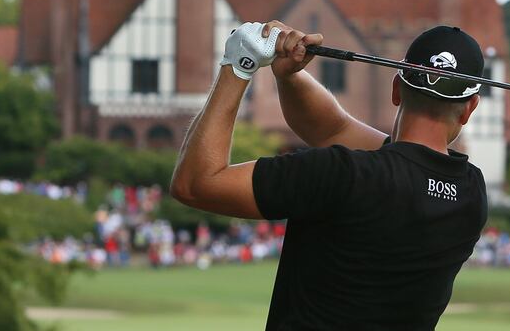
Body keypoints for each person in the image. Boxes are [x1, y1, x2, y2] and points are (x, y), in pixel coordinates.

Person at [171, 20, 489, 330]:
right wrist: (290, 76)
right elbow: (332, 127)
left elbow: (196, 183)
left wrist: (238, 64)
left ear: (396, 89)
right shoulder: (472, 195)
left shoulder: (341, 174)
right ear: (469, 107)